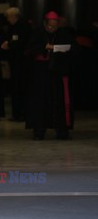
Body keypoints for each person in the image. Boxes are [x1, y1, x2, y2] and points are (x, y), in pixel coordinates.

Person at [25, 11, 74, 140]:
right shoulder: (37, 33)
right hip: (40, 73)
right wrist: (43, 47)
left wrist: (57, 49)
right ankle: (39, 131)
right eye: (50, 26)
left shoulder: (63, 34)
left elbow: (73, 49)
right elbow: (28, 50)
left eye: (54, 26)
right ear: (45, 24)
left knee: (59, 102)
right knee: (40, 102)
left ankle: (61, 131)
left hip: (57, 73)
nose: (52, 29)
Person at [1, 7, 31, 121]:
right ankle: (17, 113)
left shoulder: (24, 27)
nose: (8, 20)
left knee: (20, 88)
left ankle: (21, 113)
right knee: (15, 87)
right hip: (14, 62)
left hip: (22, 63)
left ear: (14, 16)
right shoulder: (12, 27)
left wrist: (9, 45)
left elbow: (21, 43)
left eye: (9, 17)